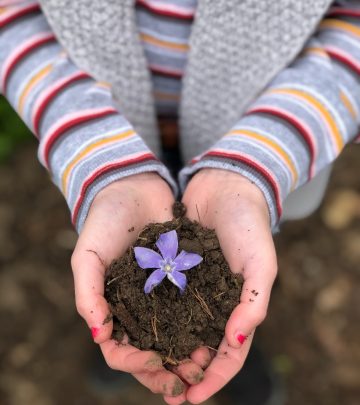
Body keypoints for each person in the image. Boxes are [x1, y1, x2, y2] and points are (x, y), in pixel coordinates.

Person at [0, 0, 359, 403]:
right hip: (100, 143)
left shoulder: (180, 263)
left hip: (268, 144)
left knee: (239, 265)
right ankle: (116, 321)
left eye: (171, 266)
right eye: (168, 266)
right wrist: (99, 163)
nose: (169, 266)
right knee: (107, 262)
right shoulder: (160, 265)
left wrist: (260, 160)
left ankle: (230, 329)